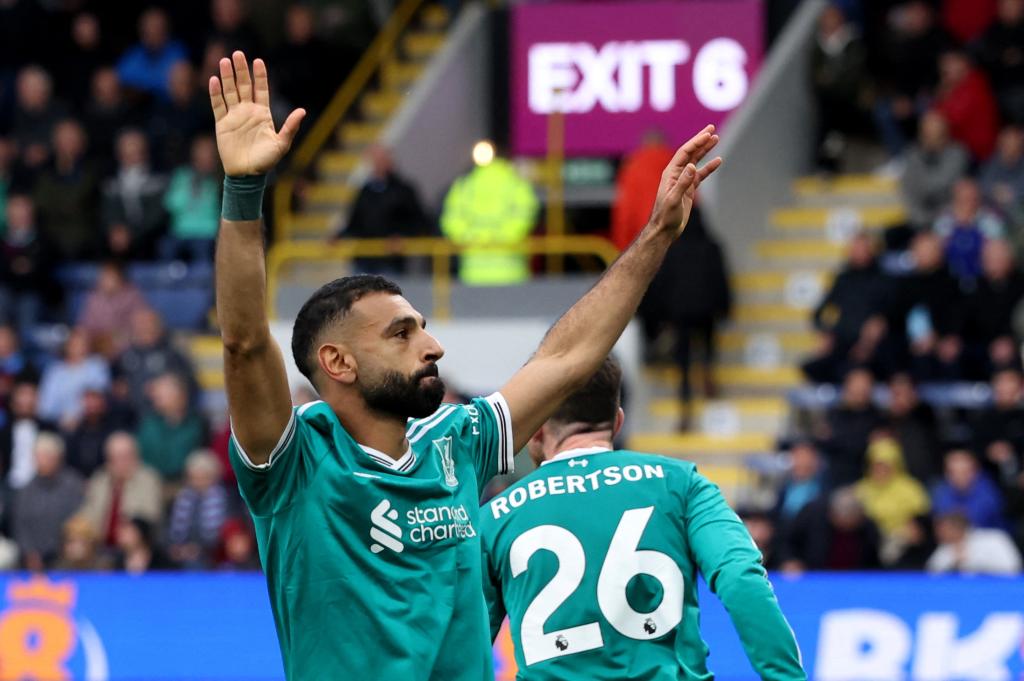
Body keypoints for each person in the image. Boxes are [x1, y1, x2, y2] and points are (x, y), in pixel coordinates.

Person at [209, 51, 720, 681]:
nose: (433, 346)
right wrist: (243, 191)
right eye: (402, 334)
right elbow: (244, 343)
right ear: (337, 362)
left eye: (423, 326)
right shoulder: (297, 465)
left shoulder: (455, 441)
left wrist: (656, 235)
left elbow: (567, 358)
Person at [479, 358, 805, 680]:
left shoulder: (494, 517)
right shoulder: (681, 483)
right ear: (618, 421)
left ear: (536, 428)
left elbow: (467, 640)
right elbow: (741, 578)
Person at [440, 145, 539, 285]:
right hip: (511, 270)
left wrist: (472, 237)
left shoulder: (464, 186)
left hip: (473, 271)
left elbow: (451, 220)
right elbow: (526, 213)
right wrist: (501, 237)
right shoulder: (517, 184)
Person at [803, 232, 893, 383]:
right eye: (855, 248)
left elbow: (891, 315)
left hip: (873, 347)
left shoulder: (885, 280)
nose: (859, 252)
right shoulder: (842, 280)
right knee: (812, 368)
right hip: (842, 344)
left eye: (863, 248)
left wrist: (874, 333)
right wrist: (826, 333)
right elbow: (818, 314)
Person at [331, 145, 429, 274]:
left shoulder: (403, 190)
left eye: (381, 159)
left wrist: (403, 236)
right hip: (364, 260)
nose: (378, 164)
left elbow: (419, 221)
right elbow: (355, 222)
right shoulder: (364, 191)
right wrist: (339, 236)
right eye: (375, 160)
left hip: (390, 262)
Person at [12, 432, 84, 570]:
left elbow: (77, 520)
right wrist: (30, 552)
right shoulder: (26, 489)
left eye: (46, 456)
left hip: (64, 551)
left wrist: (62, 547)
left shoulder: (73, 485)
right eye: (38, 457)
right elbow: (20, 525)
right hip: (31, 556)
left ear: (58, 458)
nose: (41, 461)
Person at [854, 436, 931, 565]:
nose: (881, 471)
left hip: (905, 549)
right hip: (869, 548)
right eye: (876, 466)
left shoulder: (911, 489)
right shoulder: (860, 489)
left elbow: (920, 524)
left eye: (886, 466)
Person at [77, 431, 163, 547]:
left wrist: (129, 526)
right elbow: (88, 512)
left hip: (137, 545)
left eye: (125, 457)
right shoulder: (100, 479)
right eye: (114, 458)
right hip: (99, 544)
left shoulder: (149, 479)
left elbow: (150, 515)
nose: (120, 463)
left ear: (135, 456)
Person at [32, 118, 100, 262]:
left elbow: (78, 203)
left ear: (83, 142)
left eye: (73, 139)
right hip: (48, 241)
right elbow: (41, 205)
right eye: (64, 139)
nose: (68, 144)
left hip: (84, 242)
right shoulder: (43, 172)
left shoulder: (94, 171)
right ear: (55, 142)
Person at [810, 3, 867, 172]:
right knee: (827, 123)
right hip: (826, 100)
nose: (829, 22)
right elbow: (816, 74)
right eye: (826, 18)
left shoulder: (851, 42)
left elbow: (854, 72)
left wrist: (833, 80)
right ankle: (826, 164)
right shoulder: (818, 44)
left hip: (848, 98)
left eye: (832, 17)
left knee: (838, 124)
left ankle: (836, 162)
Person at [779, 487, 882, 572]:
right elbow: (786, 541)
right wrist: (789, 560)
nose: (846, 528)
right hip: (813, 575)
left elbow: (874, 560)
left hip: (854, 578)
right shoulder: (811, 515)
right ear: (832, 514)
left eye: (852, 524)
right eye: (843, 523)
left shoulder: (867, 527)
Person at [100, 129, 168, 260]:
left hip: (150, 242)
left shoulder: (159, 181)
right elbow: (108, 212)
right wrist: (115, 229)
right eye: (127, 152)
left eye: (136, 151)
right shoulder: (110, 183)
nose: (131, 156)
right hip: (116, 242)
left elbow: (157, 216)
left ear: (145, 152)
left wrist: (131, 233)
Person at [114, 307, 199, 408]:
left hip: (161, 413)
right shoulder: (126, 355)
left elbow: (188, 384)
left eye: (148, 324)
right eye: (140, 325)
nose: (144, 328)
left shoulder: (172, 354)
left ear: (159, 326)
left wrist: (165, 388)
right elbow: (116, 380)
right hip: (129, 412)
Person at [901, 111, 969, 230]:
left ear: (946, 135)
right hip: (918, 220)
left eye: (938, 135)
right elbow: (908, 190)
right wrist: (920, 219)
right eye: (927, 135)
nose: (931, 140)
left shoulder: (957, 155)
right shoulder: (912, 155)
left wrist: (921, 184)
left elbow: (942, 183)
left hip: (951, 220)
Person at [610, 130, 675, 251]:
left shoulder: (632, 167)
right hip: (674, 241)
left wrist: (622, 249)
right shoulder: (676, 164)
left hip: (642, 243)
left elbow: (624, 216)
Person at [933, 178, 1006, 285]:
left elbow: (997, 250)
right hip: (948, 277)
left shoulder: (990, 220)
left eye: (971, 198)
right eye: (963, 198)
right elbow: (937, 249)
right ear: (955, 198)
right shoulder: (944, 220)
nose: (967, 202)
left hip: (984, 278)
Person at [160, 134, 221, 262]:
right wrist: (192, 184)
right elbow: (170, 204)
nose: (204, 156)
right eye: (200, 151)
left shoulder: (219, 178)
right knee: (165, 247)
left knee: (204, 252)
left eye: (208, 151)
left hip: (208, 232)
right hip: (179, 231)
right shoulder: (181, 175)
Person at [931, 49, 1000, 161]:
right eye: (943, 65)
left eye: (950, 63)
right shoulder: (956, 85)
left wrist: (944, 92)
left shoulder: (976, 83)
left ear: (964, 63)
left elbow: (947, 119)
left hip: (978, 152)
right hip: (959, 146)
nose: (945, 69)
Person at [135, 373, 207, 480]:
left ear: (181, 395)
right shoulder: (147, 423)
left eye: (163, 392)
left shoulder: (198, 423)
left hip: (188, 481)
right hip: (151, 480)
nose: (155, 396)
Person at [821, 368, 884, 488]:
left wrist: (838, 440)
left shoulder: (878, 416)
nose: (860, 389)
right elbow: (825, 443)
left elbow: (864, 448)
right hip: (834, 476)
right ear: (847, 386)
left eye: (865, 384)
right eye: (856, 384)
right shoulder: (834, 413)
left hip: (865, 479)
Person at [36, 328, 110, 428]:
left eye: (81, 344)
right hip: (59, 424)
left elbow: (97, 398)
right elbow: (45, 407)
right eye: (73, 344)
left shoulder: (97, 366)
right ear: (66, 346)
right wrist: (62, 417)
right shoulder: (54, 371)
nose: (77, 347)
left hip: (91, 423)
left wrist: (76, 416)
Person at [167, 450, 228, 568]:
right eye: (193, 478)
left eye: (203, 478)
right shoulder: (182, 498)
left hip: (212, 554)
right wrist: (174, 547)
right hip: (180, 553)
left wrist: (199, 549)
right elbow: (169, 530)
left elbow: (223, 534)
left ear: (213, 477)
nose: (197, 483)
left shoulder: (224, 499)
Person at [77, 262, 150, 357]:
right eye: (103, 277)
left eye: (110, 277)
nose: (105, 281)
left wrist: (115, 337)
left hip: (125, 342)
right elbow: (85, 326)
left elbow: (141, 325)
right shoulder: (93, 297)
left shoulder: (133, 295)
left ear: (120, 279)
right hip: (98, 342)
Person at [116, 8, 188, 102]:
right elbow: (122, 82)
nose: (153, 34)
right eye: (148, 31)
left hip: (171, 107)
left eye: (157, 29)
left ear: (166, 31)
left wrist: (144, 87)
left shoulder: (177, 52)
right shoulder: (133, 54)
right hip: (138, 108)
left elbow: (181, 87)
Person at [971, 0, 1024, 124]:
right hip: (998, 87)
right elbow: (983, 59)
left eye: (1013, 6)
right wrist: (1003, 57)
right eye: (1005, 7)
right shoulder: (991, 31)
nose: (1009, 10)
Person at [932, 449, 1007, 530]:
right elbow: (940, 521)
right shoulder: (941, 492)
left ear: (976, 471)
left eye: (964, 472)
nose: (959, 477)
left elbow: (976, 521)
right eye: (953, 472)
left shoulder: (990, 491)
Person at [0, 380, 55, 490]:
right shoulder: (4, 433)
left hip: (42, 486)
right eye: (22, 395)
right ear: (13, 401)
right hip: (8, 486)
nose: (26, 400)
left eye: (30, 395)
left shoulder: (49, 429)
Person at [927, 511, 1022, 575]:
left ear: (956, 528)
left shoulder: (994, 538)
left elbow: (1012, 567)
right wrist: (955, 565)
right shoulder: (944, 548)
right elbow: (931, 572)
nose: (938, 533)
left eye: (942, 529)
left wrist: (971, 565)